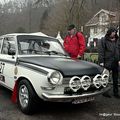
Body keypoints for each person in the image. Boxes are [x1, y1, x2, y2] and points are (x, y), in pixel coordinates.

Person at [98, 27, 120, 98]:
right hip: (107, 61)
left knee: (115, 78)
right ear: (109, 32)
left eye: (115, 32)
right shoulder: (104, 40)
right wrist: (101, 61)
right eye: (113, 32)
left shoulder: (117, 40)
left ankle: (116, 92)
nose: (114, 33)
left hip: (115, 61)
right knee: (106, 77)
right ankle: (105, 92)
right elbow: (101, 51)